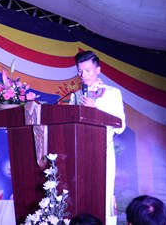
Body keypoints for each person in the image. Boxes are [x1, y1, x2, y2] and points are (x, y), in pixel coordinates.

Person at [69, 51, 126, 225]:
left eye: (88, 70)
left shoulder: (112, 93)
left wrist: (95, 110)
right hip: (79, 150)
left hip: (103, 150)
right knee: (79, 190)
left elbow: (121, 126)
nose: (83, 75)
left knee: (103, 191)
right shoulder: (76, 96)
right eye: (80, 71)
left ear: (98, 70)